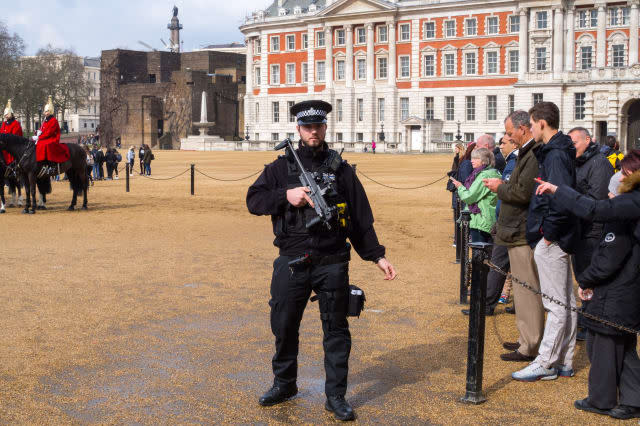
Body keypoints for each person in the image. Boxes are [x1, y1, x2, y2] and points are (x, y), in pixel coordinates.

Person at [246, 100, 396, 421]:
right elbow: (254, 200)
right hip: (292, 259)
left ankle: (335, 396)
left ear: (325, 128)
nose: (313, 132)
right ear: (298, 130)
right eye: (307, 127)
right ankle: (284, 384)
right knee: (284, 324)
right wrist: (285, 197)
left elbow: (359, 217)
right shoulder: (280, 167)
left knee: (336, 329)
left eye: (319, 127)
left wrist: (376, 256)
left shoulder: (340, 169)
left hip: (332, 260)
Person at [536, 151, 640, 420]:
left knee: (602, 341)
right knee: (624, 344)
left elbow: (596, 214)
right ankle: (633, 399)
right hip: (629, 286)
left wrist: (586, 279)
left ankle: (601, 399)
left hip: (620, 288)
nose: (621, 176)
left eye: (626, 172)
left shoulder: (630, 204)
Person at [510, 101, 579, 382]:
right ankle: (564, 358)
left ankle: (547, 360)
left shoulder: (555, 155)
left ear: (540, 123)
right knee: (566, 302)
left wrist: (548, 234)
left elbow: (559, 198)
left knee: (556, 304)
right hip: (557, 235)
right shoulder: (558, 151)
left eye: (533, 123)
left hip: (553, 237)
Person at [484, 110, 546, 363]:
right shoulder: (527, 152)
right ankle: (525, 339)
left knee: (528, 292)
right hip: (515, 230)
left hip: (522, 231)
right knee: (521, 292)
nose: (508, 137)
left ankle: (530, 344)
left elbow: (523, 193)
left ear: (523, 128)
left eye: (510, 133)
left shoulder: (532, 154)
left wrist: (500, 188)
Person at [568, 127, 614, 341]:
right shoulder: (578, 162)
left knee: (590, 277)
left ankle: (591, 321)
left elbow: (597, 200)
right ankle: (586, 316)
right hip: (580, 229)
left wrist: (570, 198)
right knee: (582, 276)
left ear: (587, 140)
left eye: (574, 142)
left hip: (593, 230)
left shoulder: (599, 163)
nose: (571, 147)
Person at [449, 148, 501, 243]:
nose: (472, 161)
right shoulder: (492, 172)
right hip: (487, 217)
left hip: (481, 219)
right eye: (472, 158)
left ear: (484, 160)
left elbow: (469, 197)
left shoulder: (483, 175)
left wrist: (460, 187)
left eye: (476, 158)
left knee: (479, 252)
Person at [33, 96, 71, 178]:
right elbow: (42, 129)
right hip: (45, 138)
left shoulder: (53, 120)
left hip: (52, 138)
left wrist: (39, 137)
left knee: (46, 145)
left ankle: (50, 165)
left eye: (47, 111)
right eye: (45, 111)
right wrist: (37, 133)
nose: (45, 113)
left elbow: (49, 132)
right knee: (35, 145)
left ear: (50, 111)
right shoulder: (45, 120)